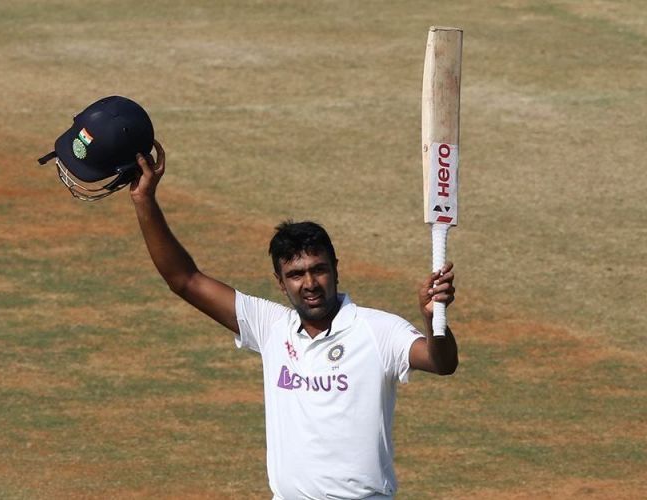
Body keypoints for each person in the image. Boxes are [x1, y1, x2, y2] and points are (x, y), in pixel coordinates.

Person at [130, 140, 458, 499]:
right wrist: (144, 201)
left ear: (335, 270)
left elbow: (441, 362)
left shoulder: (378, 330)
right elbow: (185, 280)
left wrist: (433, 321)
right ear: (281, 282)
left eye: (319, 270)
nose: (310, 284)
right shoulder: (272, 326)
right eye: (296, 274)